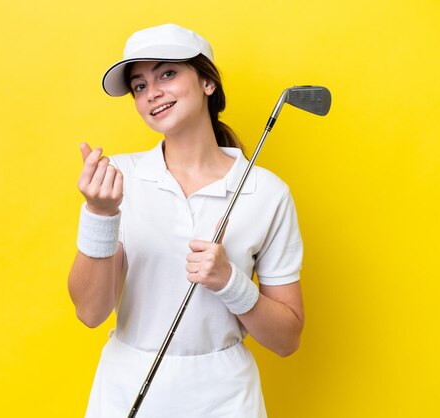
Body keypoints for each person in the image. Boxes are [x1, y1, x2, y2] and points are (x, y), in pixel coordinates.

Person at [68, 23, 304, 418]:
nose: (153, 92)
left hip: (226, 397)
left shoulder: (267, 192)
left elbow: (287, 339)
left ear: (208, 83)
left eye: (167, 73)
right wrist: (101, 215)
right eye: (139, 86)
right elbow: (90, 313)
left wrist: (231, 283)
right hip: (127, 388)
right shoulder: (116, 181)